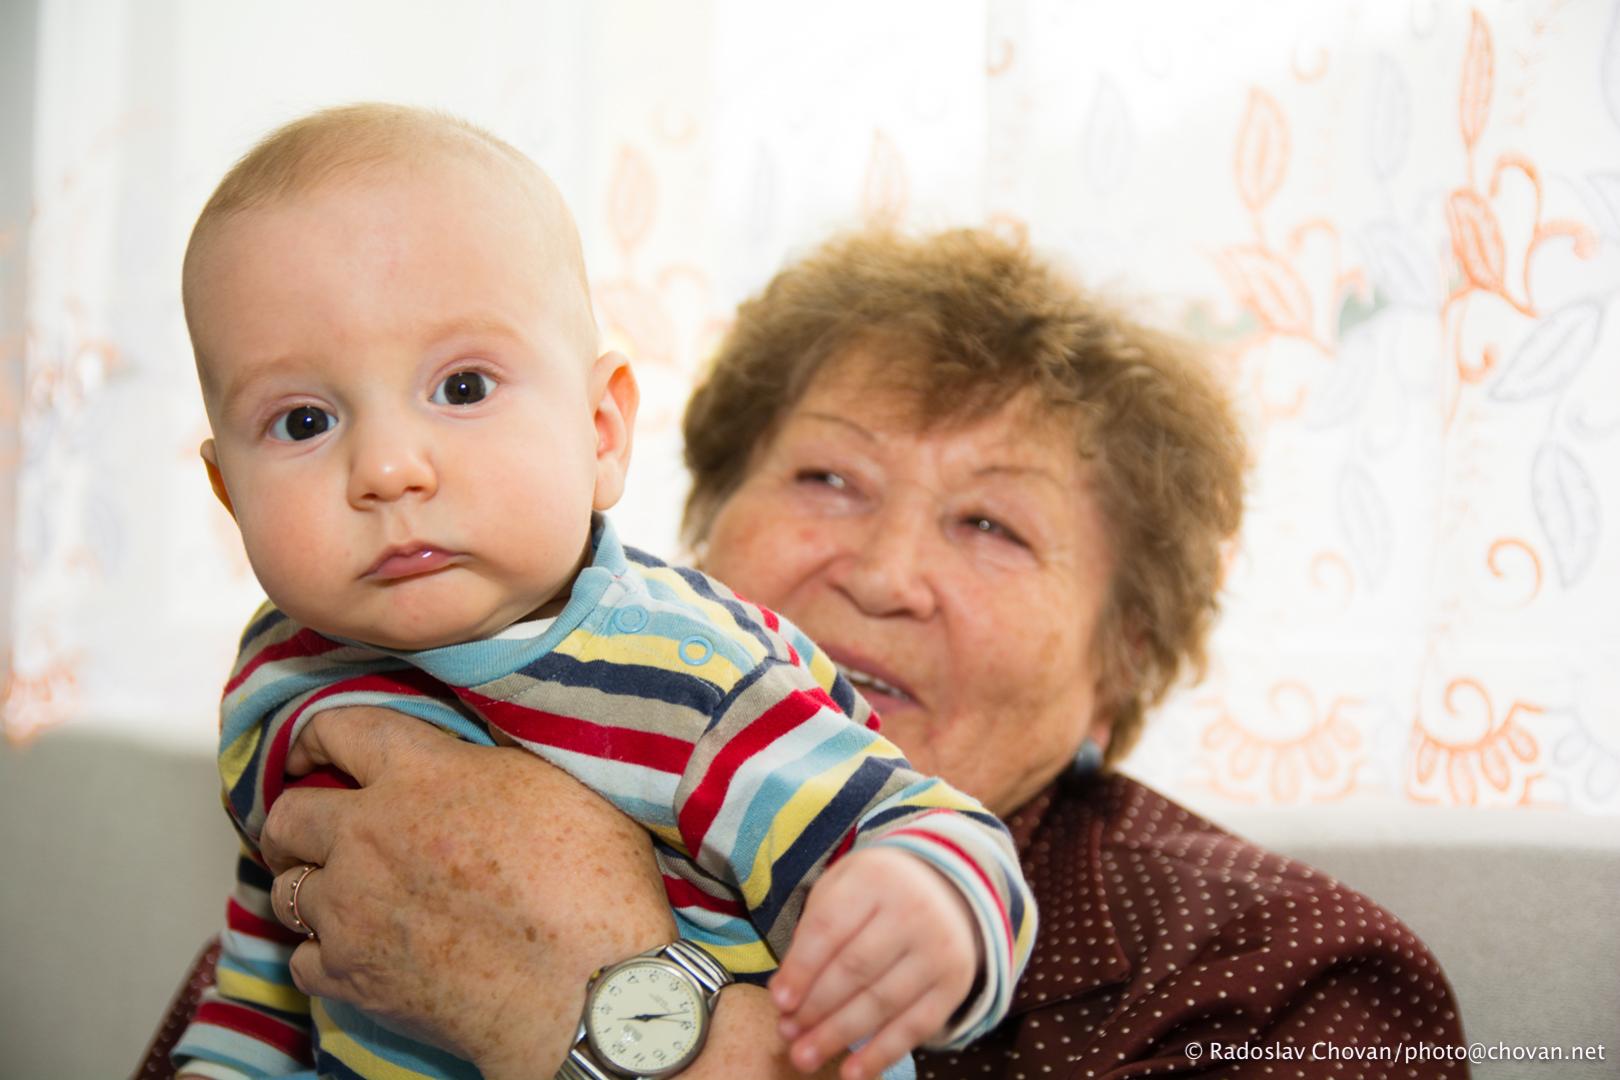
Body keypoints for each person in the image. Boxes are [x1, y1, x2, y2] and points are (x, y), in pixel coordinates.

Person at [224, 228, 1471, 1079]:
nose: (880, 575)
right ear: (696, 538)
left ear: (1121, 666)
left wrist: (593, 1004)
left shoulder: (1281, 983)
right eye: (826, 478)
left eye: (991, 525)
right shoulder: (402, 772)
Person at [171, 105, 1036, 1080]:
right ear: (230, 495)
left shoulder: (687, 675)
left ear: (600, 431)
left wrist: (930, 900)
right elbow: (269, 972)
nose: (388, 467)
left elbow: (922, 826)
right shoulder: (281, 676)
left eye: (462, 388)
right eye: (303, 421)